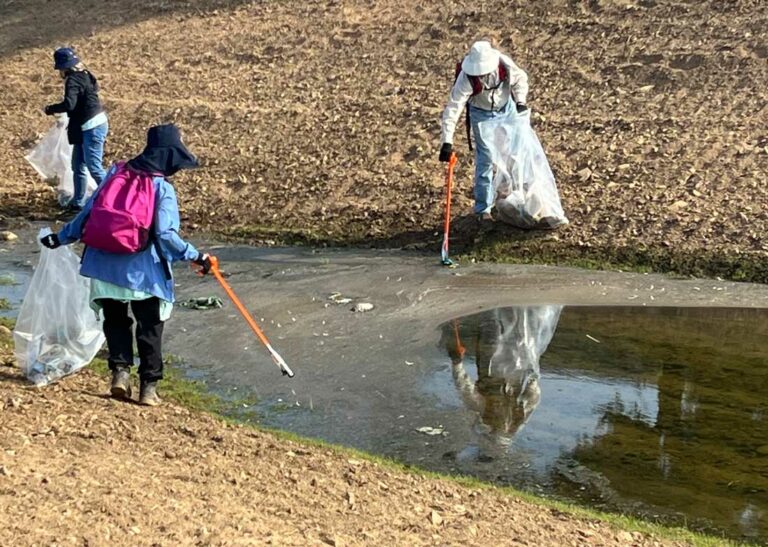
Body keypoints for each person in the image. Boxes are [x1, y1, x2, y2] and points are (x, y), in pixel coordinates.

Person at [40, 124, 211, 406]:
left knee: (116, 323)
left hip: (104, 270)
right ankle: (149, 389)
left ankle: (120, 375)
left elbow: (88, 213)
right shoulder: (162, 188)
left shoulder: (114, 175)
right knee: (149, 329)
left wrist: (60, 238)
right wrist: (196, 256)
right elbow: (166, 236)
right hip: (143, 275)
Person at [439, 40, 529, 229]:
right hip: (481, 114)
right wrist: (446, 141)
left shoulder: (503, 64)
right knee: (486, 159)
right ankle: (483, 210)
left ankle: (514, 198)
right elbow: (454, 108)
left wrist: (520, 101)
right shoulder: (466, 79)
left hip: (507, 109)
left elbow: (521, 79)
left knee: (514, 153)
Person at [43, 47, 109, 211]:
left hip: (92, 126)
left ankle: (115, 198)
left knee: (94, 167)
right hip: (88, 125)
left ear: (64, 69)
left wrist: (50, 109)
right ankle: (77, 204)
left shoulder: (72, 80)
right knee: (78, 165)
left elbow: (69, 104)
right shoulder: (86, 75)